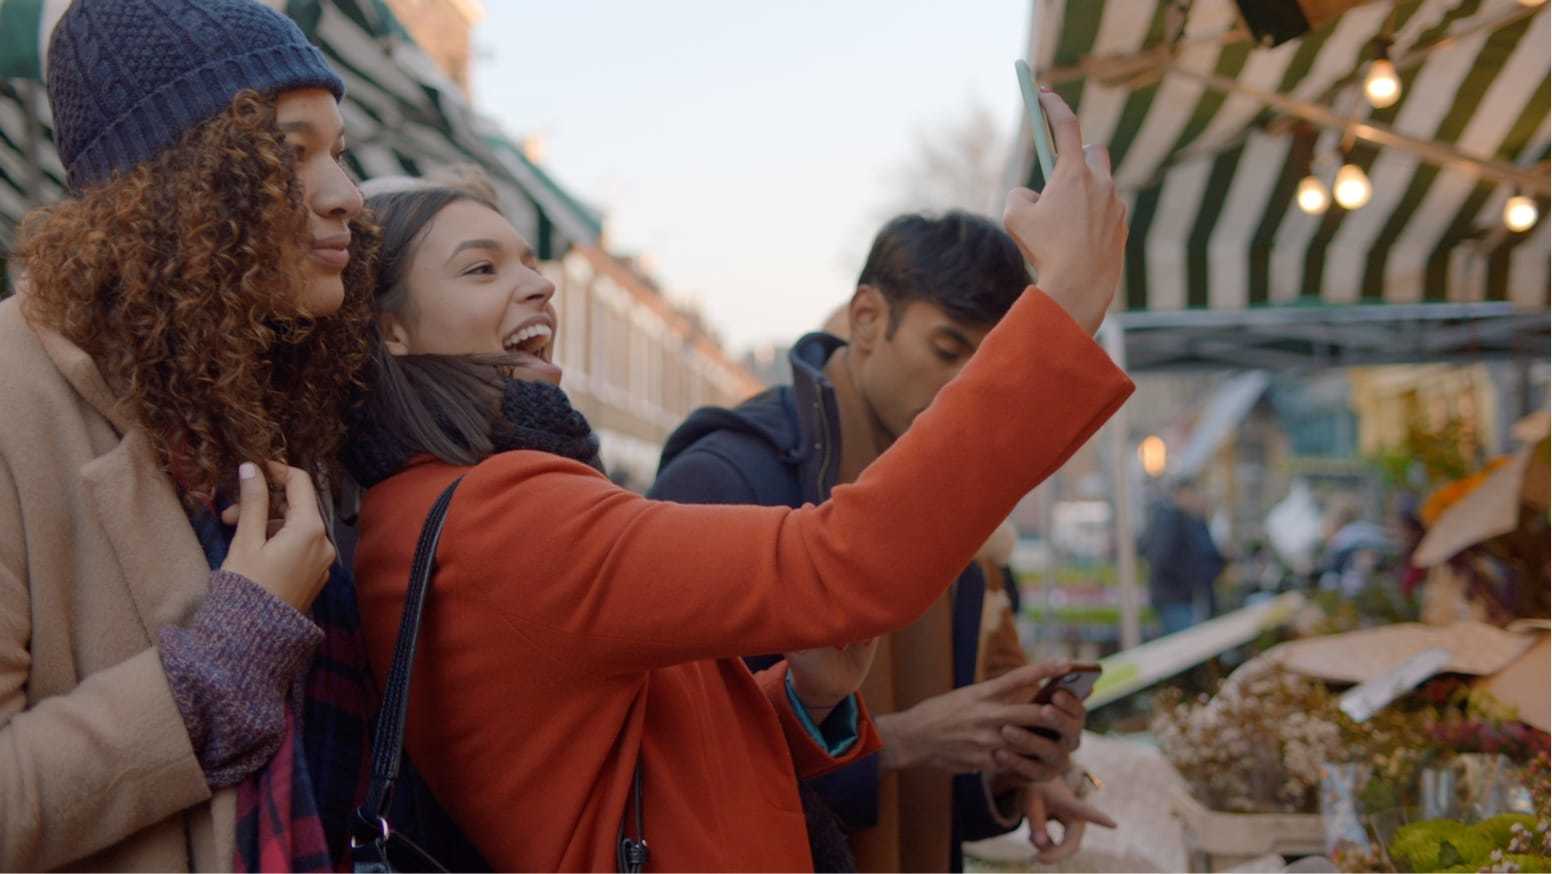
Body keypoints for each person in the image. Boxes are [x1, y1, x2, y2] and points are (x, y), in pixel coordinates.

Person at [345, 88, 1130, 871]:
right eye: (481, 268)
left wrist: (804, 697)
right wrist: (1063, 307)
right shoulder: (503, 515)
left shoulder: (444, 503)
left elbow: (655, 761)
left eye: (527, 260)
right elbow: (842, 562)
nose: (540, 284)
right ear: (391, 330)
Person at [0, 1, 388, 869]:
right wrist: (219, 666)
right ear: (175, 186)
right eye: (292, 155)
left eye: (341, 154)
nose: (348, 198)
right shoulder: (10, 401)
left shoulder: (263, 392)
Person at [650, 211, 1114, 871]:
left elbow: (937, 783)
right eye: (948, 351)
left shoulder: (951, 500)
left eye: (984, 367)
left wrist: (1010, 764)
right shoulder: (725, 472)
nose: (965, 390)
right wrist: (897, 743)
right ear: (867, 318)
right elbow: (675, 756)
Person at [1143, 477, 1226, 636]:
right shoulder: (1170, 521)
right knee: (1181, 645)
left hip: (1178, 596)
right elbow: (1163, 559)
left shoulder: (1186, 519)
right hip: (1174, 596)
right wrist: (1192, 577)